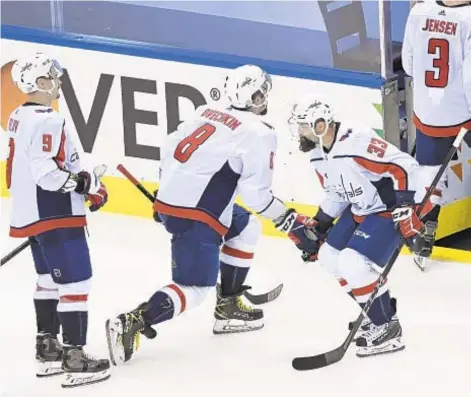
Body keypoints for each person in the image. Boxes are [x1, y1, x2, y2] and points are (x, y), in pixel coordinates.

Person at [105, 65, 320, 364]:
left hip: (173, 201)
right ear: (257, 95)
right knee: (194, 288)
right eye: (261, 92)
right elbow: (256, 196)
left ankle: (229, 305)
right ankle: (135, 320)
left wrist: (165, 194)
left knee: (246, 228)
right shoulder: (258, 133)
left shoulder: (204, 111)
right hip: (199, 214)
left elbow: (169, 149)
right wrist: (289, 221)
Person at [288, 96, 439, 357]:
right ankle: (374, 313)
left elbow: (403, 166)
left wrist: (405, 208)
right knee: (328, 256)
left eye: (302, 126)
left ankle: (387, 328)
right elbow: (337, 193)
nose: (298, 132)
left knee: (352, 263)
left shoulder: (355, 142)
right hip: (362, 207)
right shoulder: (317, 153)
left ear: (321, 125)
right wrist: (320, 225)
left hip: (390, 205)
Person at [6, 53, 110, 387]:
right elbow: (47, 174)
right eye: (53, 77)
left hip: (31, 214)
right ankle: (74, 358)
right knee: (77, 283)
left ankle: (47, 349)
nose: (58, 82)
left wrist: (84, 184)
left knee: (48, 280)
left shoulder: (18, 116)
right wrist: (86, 184)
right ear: (39, 83)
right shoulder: (49, 120)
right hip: (56, 213)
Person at [402, 0, 471, 269]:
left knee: (430, 178)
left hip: (427, 113)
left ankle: (423, 234)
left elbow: (408, 65)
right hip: (462, 112)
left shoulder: (418, 11)